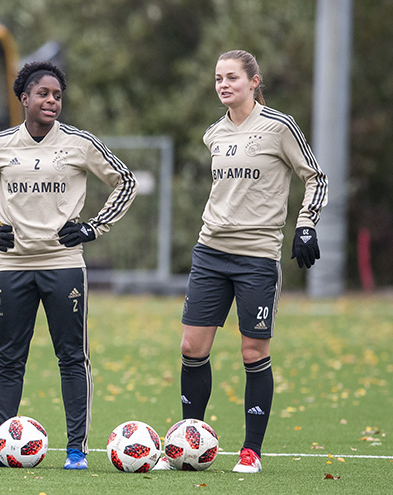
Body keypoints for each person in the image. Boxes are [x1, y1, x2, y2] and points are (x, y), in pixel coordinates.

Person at [154, 49, 328, 473]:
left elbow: (315, 177)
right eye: (218, 78)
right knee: (191, 348)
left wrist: (305, 224)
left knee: (253, 353)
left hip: (257, 257)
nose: (223, 84)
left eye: (232, 77)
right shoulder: (213, 133)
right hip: (210, 251)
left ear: (254, 81)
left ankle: (251, 451)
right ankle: (185, 444)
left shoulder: (278, 126)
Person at [0, 61, 138, 470]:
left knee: (72, 357)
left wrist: (94, 228)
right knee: (8, 359)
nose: (52, 101)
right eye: (43, 94)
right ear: (24, 98)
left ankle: (76, 450)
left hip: (63, 266)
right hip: (12, 267)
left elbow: (125, 182)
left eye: (57, 95)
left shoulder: (80, 144)